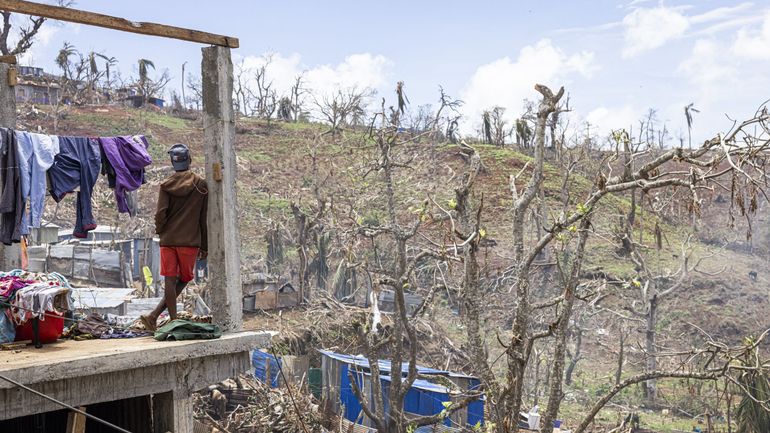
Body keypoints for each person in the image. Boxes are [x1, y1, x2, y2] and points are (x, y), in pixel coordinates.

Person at [141, 144, 207, 331]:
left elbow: (161, 213)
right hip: (189, 241)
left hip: (168, 240)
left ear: (172, 162)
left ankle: (165, 318)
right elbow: (203, 217)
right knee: (184, 278)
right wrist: (205, 245)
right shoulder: (201, 185)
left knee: (169, 279)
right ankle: (168, 319)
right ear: (190, 160)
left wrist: (161, 231)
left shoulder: (166, 185)